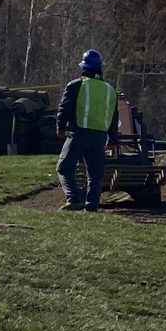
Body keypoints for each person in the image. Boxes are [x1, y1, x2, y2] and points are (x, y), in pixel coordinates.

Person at [56, 49, 117, 211]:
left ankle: (74, 197)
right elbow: (114, 116)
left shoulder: (76, 85)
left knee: (64, 167)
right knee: (95, 175)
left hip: (79, 132)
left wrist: (60, 127)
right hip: (99, 136)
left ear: (84, 68)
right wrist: (112, 140)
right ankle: (91, 207)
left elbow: (65, 108)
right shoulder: (110, 90)